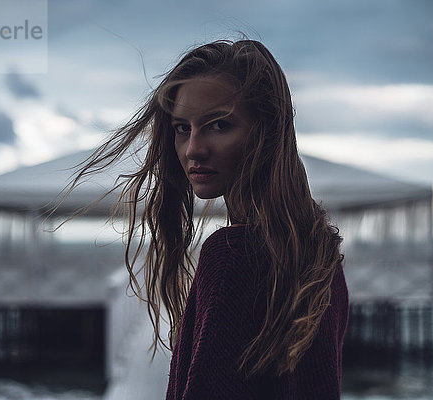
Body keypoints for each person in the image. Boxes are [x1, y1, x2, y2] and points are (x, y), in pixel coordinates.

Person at [72, 39, 348, 399]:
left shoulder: (232, 255)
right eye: (182, 128)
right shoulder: (319, 252)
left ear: (265, 133)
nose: (193, 149)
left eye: (219, 125)